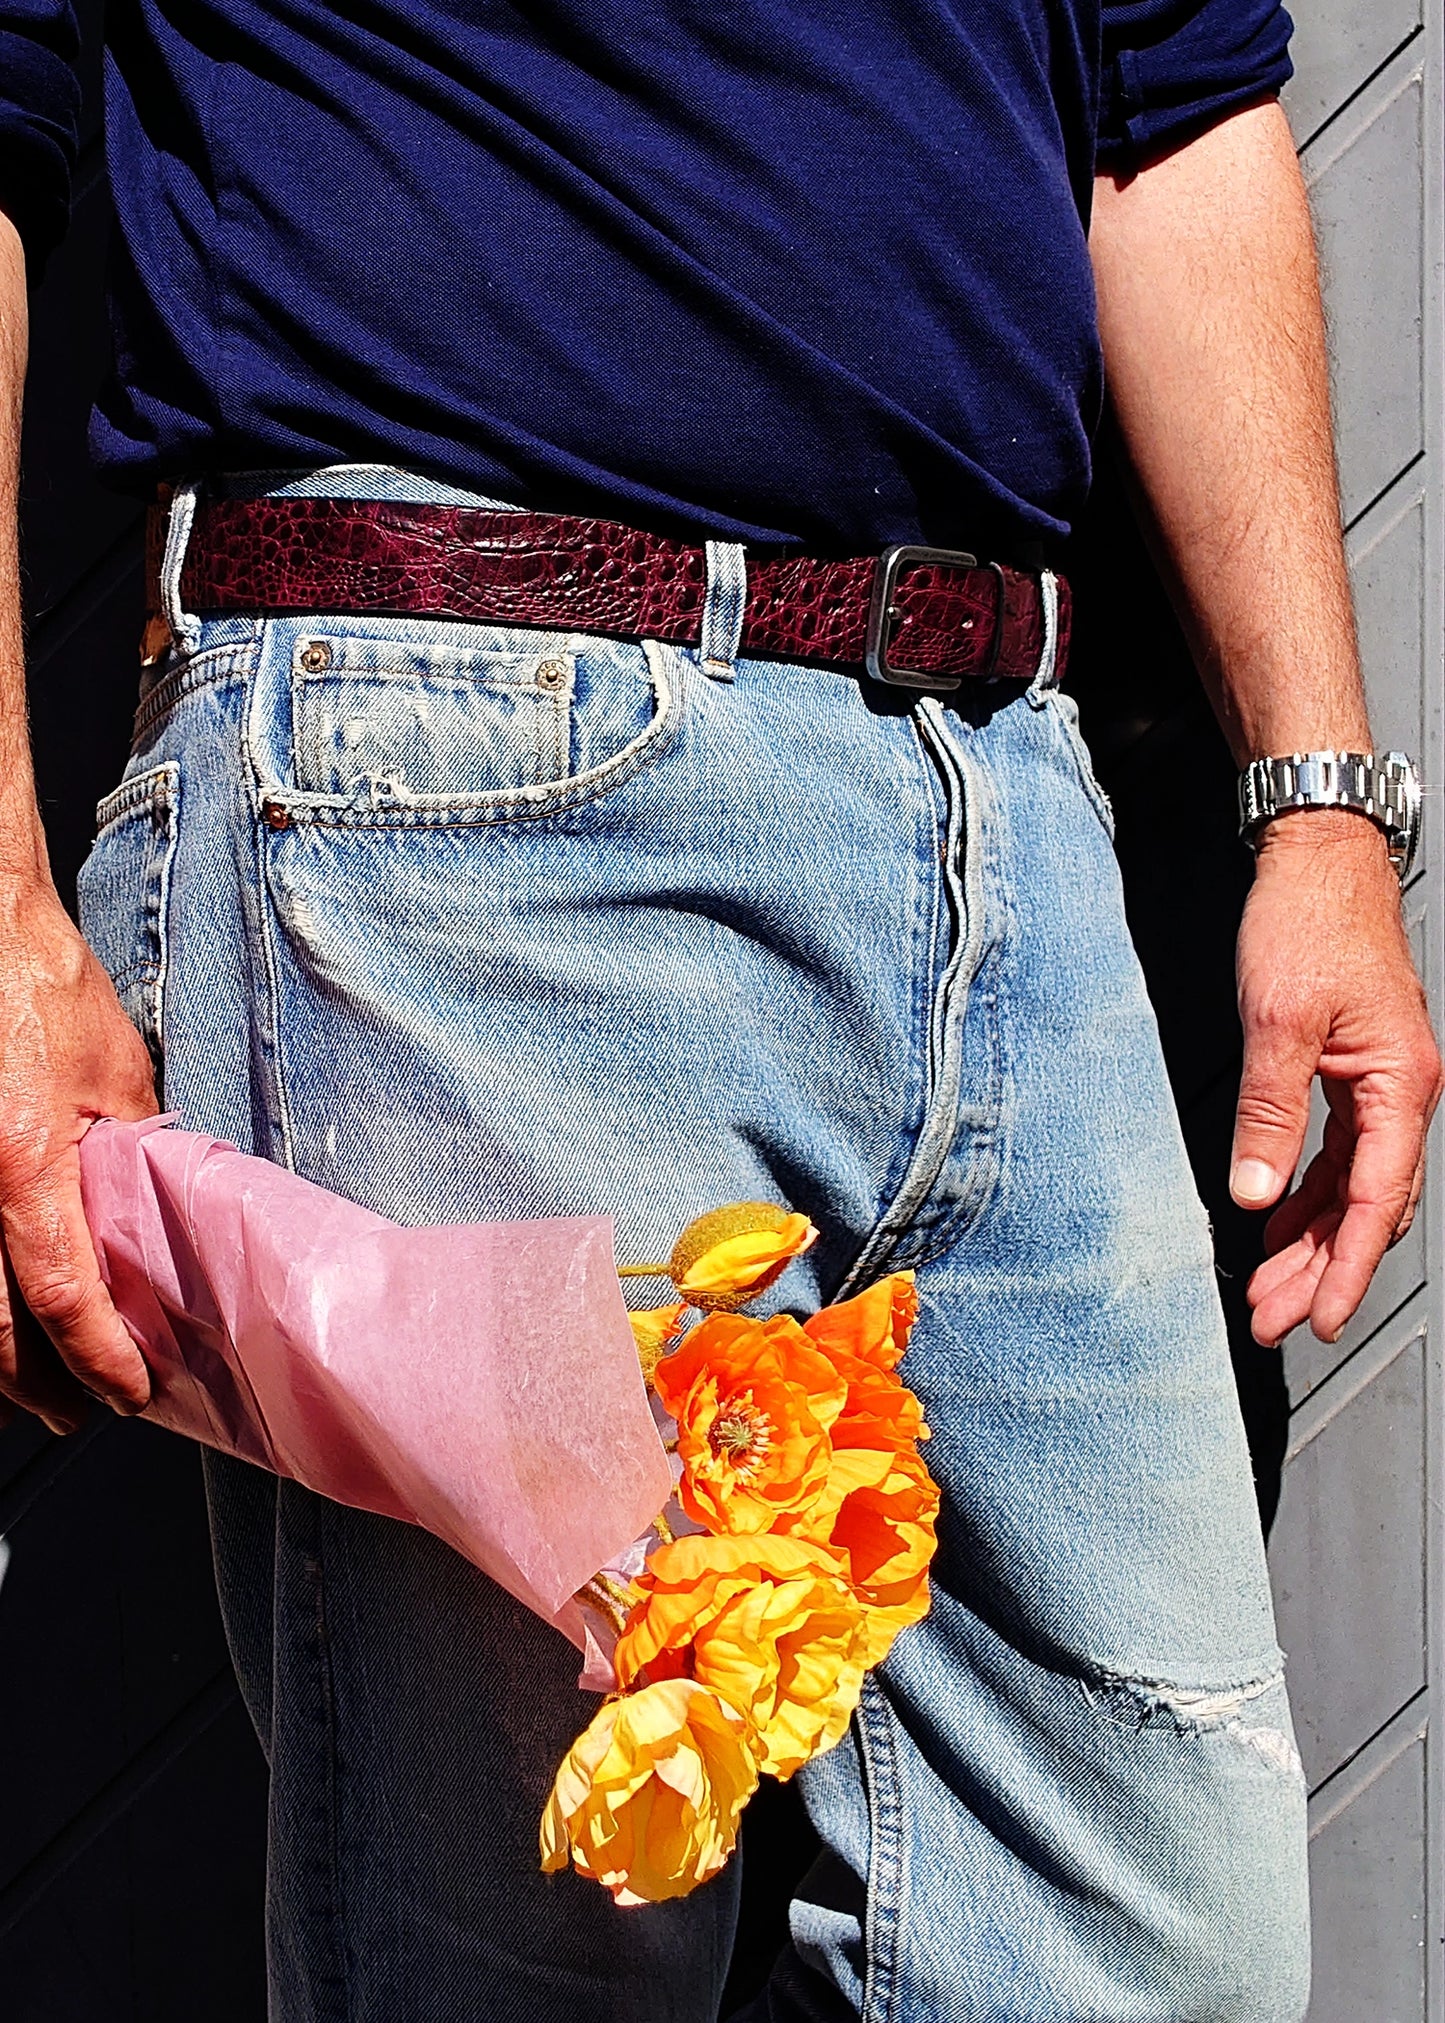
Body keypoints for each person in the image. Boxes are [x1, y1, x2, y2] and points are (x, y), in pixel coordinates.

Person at [0, 0, 1439, 2015]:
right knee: (533, 1954)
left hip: (1007, 797)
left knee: (1160, 1958)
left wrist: (1320, 804)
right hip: (470, 773)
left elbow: (1177, 101)